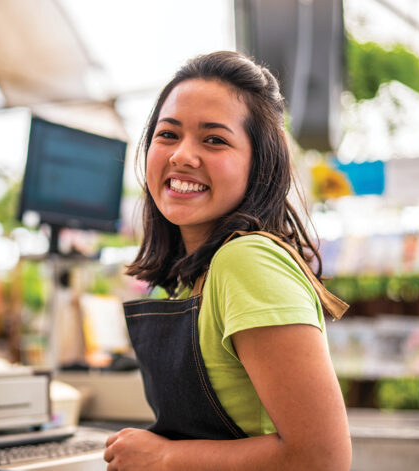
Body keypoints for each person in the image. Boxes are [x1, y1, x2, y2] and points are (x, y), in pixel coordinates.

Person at [103, 51, 351, 470]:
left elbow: (322, 460)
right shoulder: (194, 275)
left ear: (259, 164)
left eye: (214, 139)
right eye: (168, 135)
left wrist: (164, 456)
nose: (182, 155)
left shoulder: (246, 259)